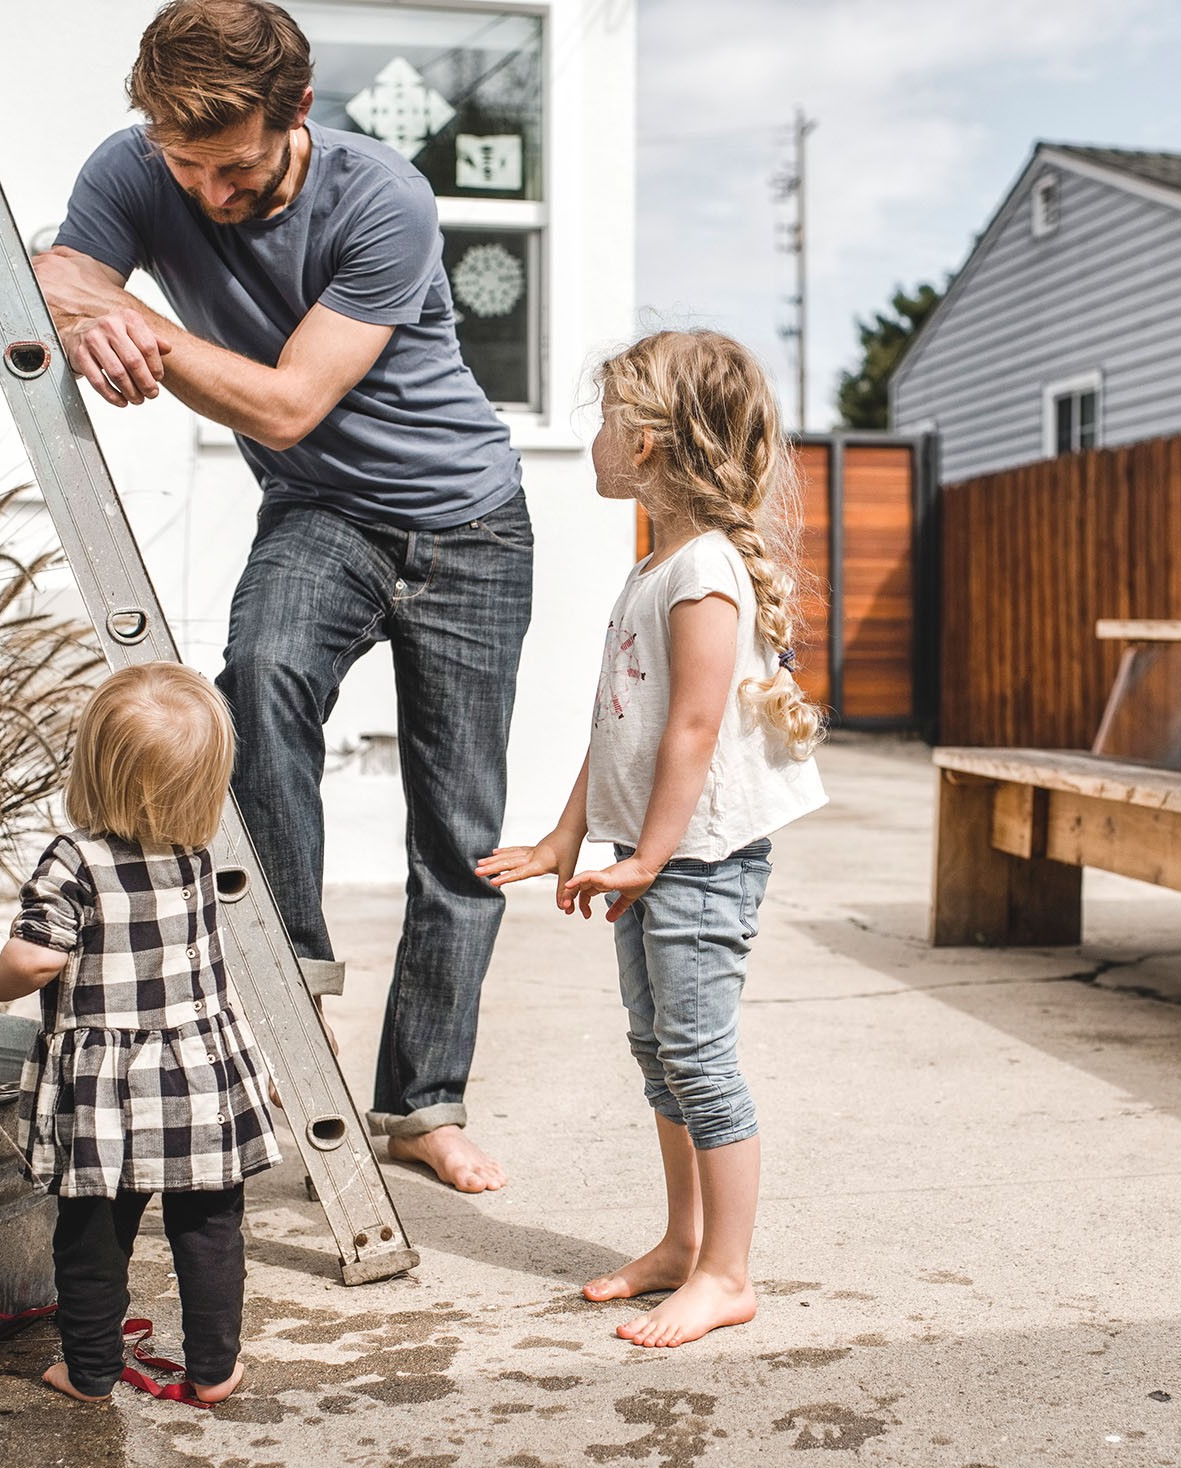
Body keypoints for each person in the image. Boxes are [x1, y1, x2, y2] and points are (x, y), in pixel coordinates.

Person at [31, 0, 527, 1193]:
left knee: (456, 836)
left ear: (298, 112)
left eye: (236, 165)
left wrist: (130, 319)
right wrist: (79, 299)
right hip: (320, 517)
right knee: (255, 677)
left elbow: (288, 403)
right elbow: (49, 269)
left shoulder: (383, 196)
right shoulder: (137, 162)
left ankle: (422, 1104)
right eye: (183, 166)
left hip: (469, 523)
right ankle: (289, 972)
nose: (205, 191)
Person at [477, 331, 828, 1348]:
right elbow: (620, 722)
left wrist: (649, 855)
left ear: (648, 443)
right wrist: (567, 834)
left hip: (700, 860)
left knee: (701, 1060)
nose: (592, 439)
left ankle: (728, 1272)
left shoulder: (704, 570)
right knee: (658, 1052)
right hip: (658, 855)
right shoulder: (659, 566)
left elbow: (694, 726)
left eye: (602, 419)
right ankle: (682, 1244)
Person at [0, 662, 279, 1405]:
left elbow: (33, 961)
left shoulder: (74, 859)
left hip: (109, 1093)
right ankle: (215, 1369)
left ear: (93, 770)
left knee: (92, 1234)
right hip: (196, 1075)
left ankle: (89, 1371)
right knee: (209, 1228)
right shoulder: (193, 853)